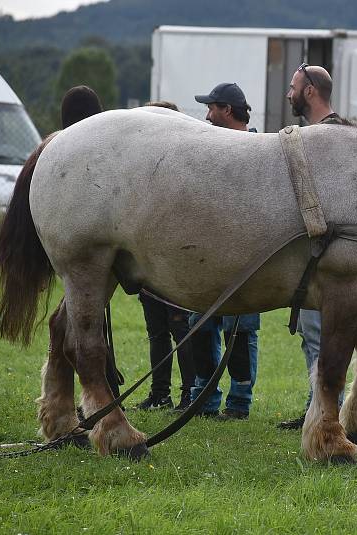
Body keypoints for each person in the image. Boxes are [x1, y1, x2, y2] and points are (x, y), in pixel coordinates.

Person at [278, 63, 345, 430]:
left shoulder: (333, 137)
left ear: (309, 91)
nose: (289, 93)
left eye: (293, 86)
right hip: (308, 259)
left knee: (321, 337)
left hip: (328, 261)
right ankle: (314, 405)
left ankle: (326, 410)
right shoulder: (310, 134)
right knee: (311, 336)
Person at [189, 83, 260, 420]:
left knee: (240, 332)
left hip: (245, 259)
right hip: (208, 256)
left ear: (227, 111)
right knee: (199, 326)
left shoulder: (260, 150)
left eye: (213, 107)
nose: (207, 115)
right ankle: (204, 397)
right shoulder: (209, 150)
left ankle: (239, 402)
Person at [133, 100, 196, 412]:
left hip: (171, 268)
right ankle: (160, 394)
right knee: (157, 333)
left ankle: (189, 394)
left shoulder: (178, 174)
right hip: (148, 267)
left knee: (179, 330)